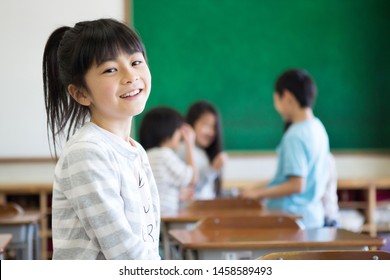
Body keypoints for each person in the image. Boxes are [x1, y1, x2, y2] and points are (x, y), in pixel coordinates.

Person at [43, 18, 160, 259]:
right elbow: (124, 253)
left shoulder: (135, 150)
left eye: (136, 61)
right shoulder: (87, 151)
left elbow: (147, 243)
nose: (130, 76)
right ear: (81, 93)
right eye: (110, 69)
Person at [240, 69, 330, 229]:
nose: (276, 107)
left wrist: (258, 194)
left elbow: (296, 185)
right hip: (312, 217)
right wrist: (257, 187)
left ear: (286, 97)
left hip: (293, 221)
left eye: (276, 100)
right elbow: (287, 178)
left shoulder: (295, 135)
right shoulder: (318, 127)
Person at [139, 107, 197, 213]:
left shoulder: (146, 155)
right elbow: (192, 179)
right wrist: (190, 145)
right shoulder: (165, 155)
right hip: (165, 217)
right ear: (167, 131)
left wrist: (177, 195)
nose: (181, 135)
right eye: (179, 129)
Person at [178, 101, 227, 200]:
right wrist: (213, 169)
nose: (211, 132)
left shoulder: (202, 152)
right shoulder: (184, 149)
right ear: (191, 123)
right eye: (206, 125)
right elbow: (193, 189)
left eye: (214, 127)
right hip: (192, 212)